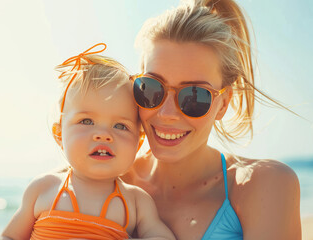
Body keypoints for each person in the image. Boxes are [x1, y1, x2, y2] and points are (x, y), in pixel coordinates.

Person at [122, 0, 302, 239]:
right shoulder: (103, 180)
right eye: (152, 88)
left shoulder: (263, 186)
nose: (166, 113)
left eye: (194, 96)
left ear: (223, 104)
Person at [0, 43, 176, 240]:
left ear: (138, 142)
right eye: (86, 121)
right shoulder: (43, 188)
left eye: (120, 126)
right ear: (59, 134)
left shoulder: (136, 201)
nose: (103, 135)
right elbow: (9, 237)